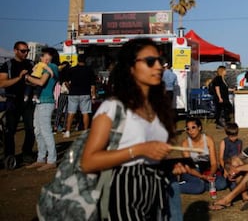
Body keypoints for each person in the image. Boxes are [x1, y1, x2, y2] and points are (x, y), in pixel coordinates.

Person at [81, 38, 186, 220]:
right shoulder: (114, 107)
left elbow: (152, 153)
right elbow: (88, 161)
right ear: (131, 67)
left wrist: (168, 165)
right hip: (123, 188)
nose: (158, 67)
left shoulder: (158, 109)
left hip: (155, 187)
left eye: (160, 61)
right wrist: (139, 150)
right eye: (150, 61)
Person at [0, 41, 35, 164]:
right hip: (12, 101)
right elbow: (2, 83)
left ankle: (27, 153)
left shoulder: (31, 64)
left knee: (30, 129)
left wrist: (31, 82)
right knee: (10, 130)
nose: (25, 53)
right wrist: (19, 78)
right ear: (15, 50)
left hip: (27, 101)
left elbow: (36, 80)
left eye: (27, 51)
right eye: (23, 51)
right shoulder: (7, 65)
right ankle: (10, 155)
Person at [25, 48, 60, 171]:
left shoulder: (52, 66)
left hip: (46, 102)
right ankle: (41, 158)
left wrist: (27, 77)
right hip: (40, 102)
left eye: (44, 55)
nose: (42, 57)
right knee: (38, 131)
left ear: (50, 56)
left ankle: (51, 160)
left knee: (45, 131)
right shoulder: (45, 66)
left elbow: (40, 82)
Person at [178, 117, 227, 194]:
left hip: (206, 170)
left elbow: (214, 163)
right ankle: (174, 186)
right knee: (199, 188)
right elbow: (188, 167)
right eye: (188, 128)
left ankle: (200, 184)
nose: (190, 131)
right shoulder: (185, 143)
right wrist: (201, 176)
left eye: (193, 127)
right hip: (192, 171)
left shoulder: (208, 140)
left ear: (199, 127)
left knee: (222, 184)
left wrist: (210, 175)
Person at [63, 54, 97, 138]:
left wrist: (70, 88)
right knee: (85, 113)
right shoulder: (89, 70)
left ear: (77, 60)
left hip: (73, 93)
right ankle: (85, 131)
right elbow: (93, 84)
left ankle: (67, 131)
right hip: (85, 93)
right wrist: (93, 95)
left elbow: (66, 82)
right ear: (85, 60)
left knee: (71, 112)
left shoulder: (72, 69)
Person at [219, 122, 243, 189]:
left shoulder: (239, 142)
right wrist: (225, 169)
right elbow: (221, 158)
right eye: (232, 136)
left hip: (236, 165)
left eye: (235, 135)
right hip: (227, 164)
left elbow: (239, 155)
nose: (234, 138)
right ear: (227, 134)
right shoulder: (224, 142)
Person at [53, 61, 71, 133]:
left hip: (62, 93)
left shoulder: (61, 74)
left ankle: (55, 127)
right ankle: (64, 127)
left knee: (59, 111)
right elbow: (67, 83)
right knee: (67, 112)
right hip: (69, 94)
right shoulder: (69, 73)